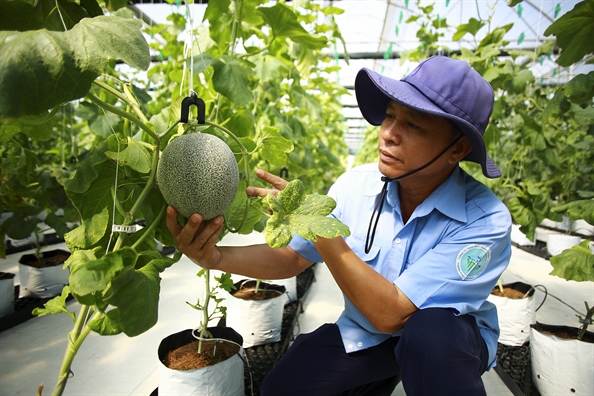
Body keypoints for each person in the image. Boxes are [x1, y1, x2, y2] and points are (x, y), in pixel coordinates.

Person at [166, 55, 512, 396]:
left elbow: (393, 316)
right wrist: (217, 258)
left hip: (447, 343)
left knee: (429, 333)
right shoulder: (355, 184)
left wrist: (321, 228)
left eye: (414, 125)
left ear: (458, 148)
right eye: (390, 116)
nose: (388, 134)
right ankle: (374, 380)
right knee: (281, 388)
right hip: (367, 331)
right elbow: (293, 258)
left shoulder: (485, 220)